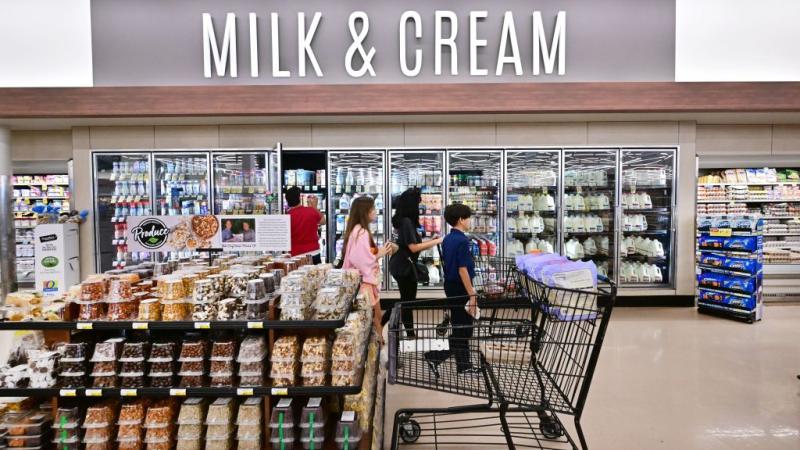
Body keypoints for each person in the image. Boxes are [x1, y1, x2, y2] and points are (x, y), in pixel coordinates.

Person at [424, 203, 480, 376]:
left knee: (460, 326)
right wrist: (472, 294)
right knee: (464, 328)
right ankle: (436, 356)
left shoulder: (448, 238)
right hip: (461, 287)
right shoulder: (462, 240)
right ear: (461, 220)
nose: (470, 221)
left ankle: (462, 365)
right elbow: (462, 269)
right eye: (468, 218)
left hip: (451, 286)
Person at [386, 188, 443, 336]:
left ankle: (406, 331)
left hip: (403, 264)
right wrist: (436, 241)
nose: (419, 207)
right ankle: (408, 333)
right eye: (417, 204)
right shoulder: (406, 222)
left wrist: (430, 241)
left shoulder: (406, 222)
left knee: (407, 300)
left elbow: (411, 245)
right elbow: (413, 247)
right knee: (407, 301)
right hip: (403, 266)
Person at [341, 196, 395, 339]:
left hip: (362, 282)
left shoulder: (356, 230)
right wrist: (380, 254)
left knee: (373, 317)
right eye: (373, 209)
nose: (375, 212)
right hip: (364, 283)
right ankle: (378, 352)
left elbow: (362, 254)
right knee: (375, 318)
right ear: (365, 212)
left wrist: (377, 252)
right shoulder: (362, 232)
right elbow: (360, 259)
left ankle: (377, 348)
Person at [286, 187, 325, 264]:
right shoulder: (311, 211)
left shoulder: (287, 216)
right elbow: (323, 221)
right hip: (314, 252)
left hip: (296, 255)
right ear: (299, 198)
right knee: (315, 275)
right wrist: (314, 207)